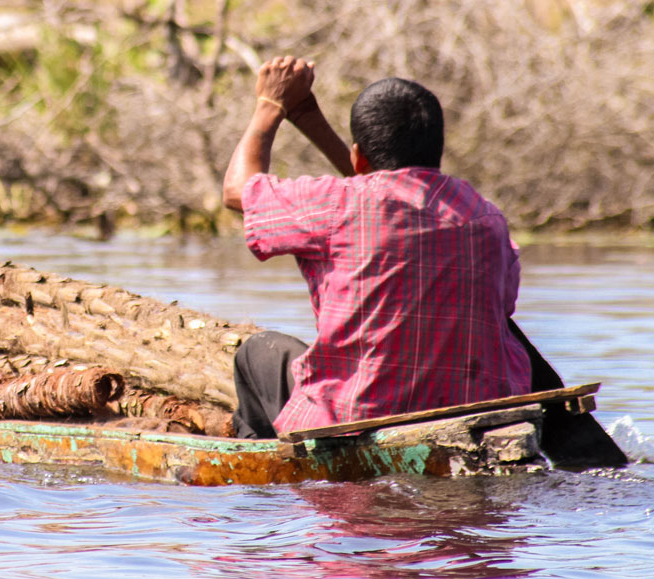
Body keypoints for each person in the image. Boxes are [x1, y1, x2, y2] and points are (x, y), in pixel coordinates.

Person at [222, 56, 531, 439]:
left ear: (357, 156)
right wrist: (306, 117)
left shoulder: (337, 204)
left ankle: (262, 479)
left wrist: (270, 107)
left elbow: (238, 191)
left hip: (357, 419)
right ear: (437, 148)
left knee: (259, 352)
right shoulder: (487, 219)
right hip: (476, 416)